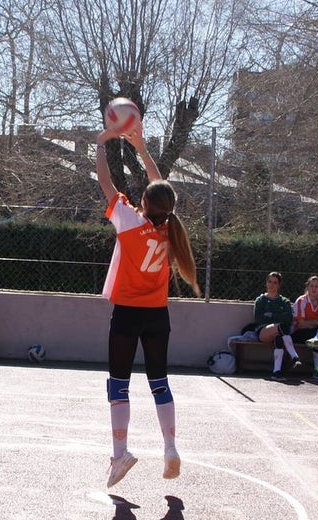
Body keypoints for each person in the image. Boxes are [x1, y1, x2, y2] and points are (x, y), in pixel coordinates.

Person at [95, 122, 199, 488]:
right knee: (159, 382)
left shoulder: (127, 222)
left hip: (126, 314)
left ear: (144, 203)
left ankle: (120, 454)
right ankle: (170, 447)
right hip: (157, 316)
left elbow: (105, 181)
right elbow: (161, 190)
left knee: (118, 385)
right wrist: (141, 149)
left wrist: (101, 144)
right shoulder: (170, 228)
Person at [252, 271, 303, 380]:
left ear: (278, 285)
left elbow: (289, 318)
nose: (271, 285)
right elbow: (259, 318)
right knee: (281, 327)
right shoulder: (260, 300)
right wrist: (279, 316)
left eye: (275, 282)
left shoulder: (284, 301)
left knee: (279, 336)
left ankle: (276, 372)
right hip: (263, 332)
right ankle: (294, 356)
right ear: (266, 283)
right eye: (269, 281)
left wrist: (270, 315)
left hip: (280, 331)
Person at [292, 275, 318, 378]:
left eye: (316, 286)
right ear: (307, 287)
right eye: (311, 286)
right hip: (299, 333)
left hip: (314, 333)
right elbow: (300, 323)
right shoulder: (301, 301)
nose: (314, 289)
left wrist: (310, 322)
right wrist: (314, 322)